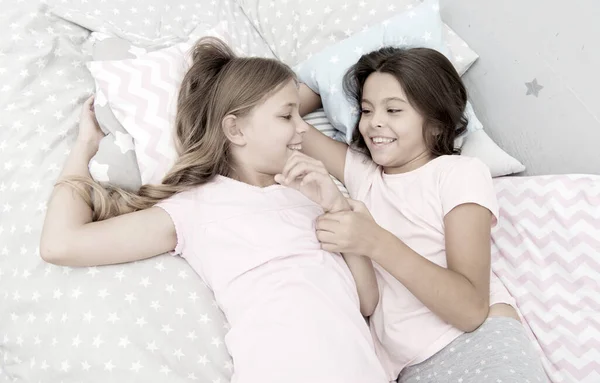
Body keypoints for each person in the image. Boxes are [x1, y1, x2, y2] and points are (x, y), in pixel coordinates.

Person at [39, 38, 389, 383]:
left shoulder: (312, 196)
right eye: (287, 115)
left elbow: (365, 301)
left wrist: (336, 206)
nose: (302, 127)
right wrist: (84, 146)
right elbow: (60, 245)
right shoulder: (196, 208)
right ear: (235, 129)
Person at [298, 47, 548, 382]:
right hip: (408, 368)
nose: (374, 123)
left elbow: (471, 309)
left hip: (477, 346)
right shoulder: (364, 176)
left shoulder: (458, 173)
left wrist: (375, 241)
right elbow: (283, 122)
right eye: (366, 110)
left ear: (435, 120)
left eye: (394, 110)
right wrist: (318, 83)